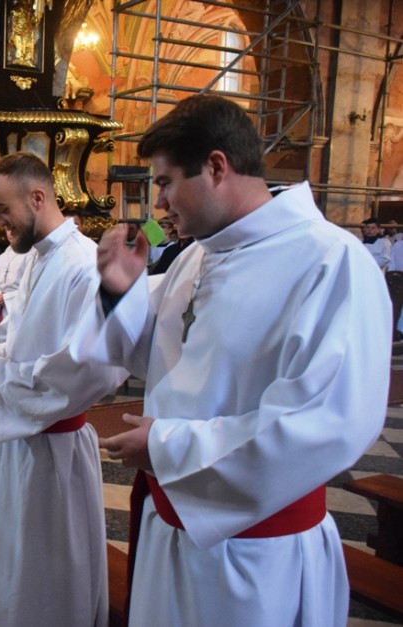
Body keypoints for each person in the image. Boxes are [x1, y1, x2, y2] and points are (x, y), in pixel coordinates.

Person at [92, 95, 391, 626]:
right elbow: (145, 355)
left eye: (163, 182)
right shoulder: (198, 256)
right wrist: (119, 289)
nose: (158, 204)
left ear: (216, 166)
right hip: (172, 528)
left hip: (255, 559)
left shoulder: (329, 260)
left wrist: (167, 446)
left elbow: (329, 422)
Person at [0, 152, 127, 627]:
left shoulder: (81, 264)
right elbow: (22, 338)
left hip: (56, 451)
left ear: (37, 197)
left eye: (2, 210)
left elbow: (88, 367)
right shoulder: (36, 259)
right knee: (18, 567)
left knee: (49, 577)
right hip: (22, 438)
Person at [0, 227, 32, 323]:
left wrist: (6, 297)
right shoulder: (3, 256)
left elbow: (30, 284)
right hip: (3, 304)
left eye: (14, 229)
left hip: (19, 305)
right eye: (8, 230)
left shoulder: (29, 254)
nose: (10, 233)